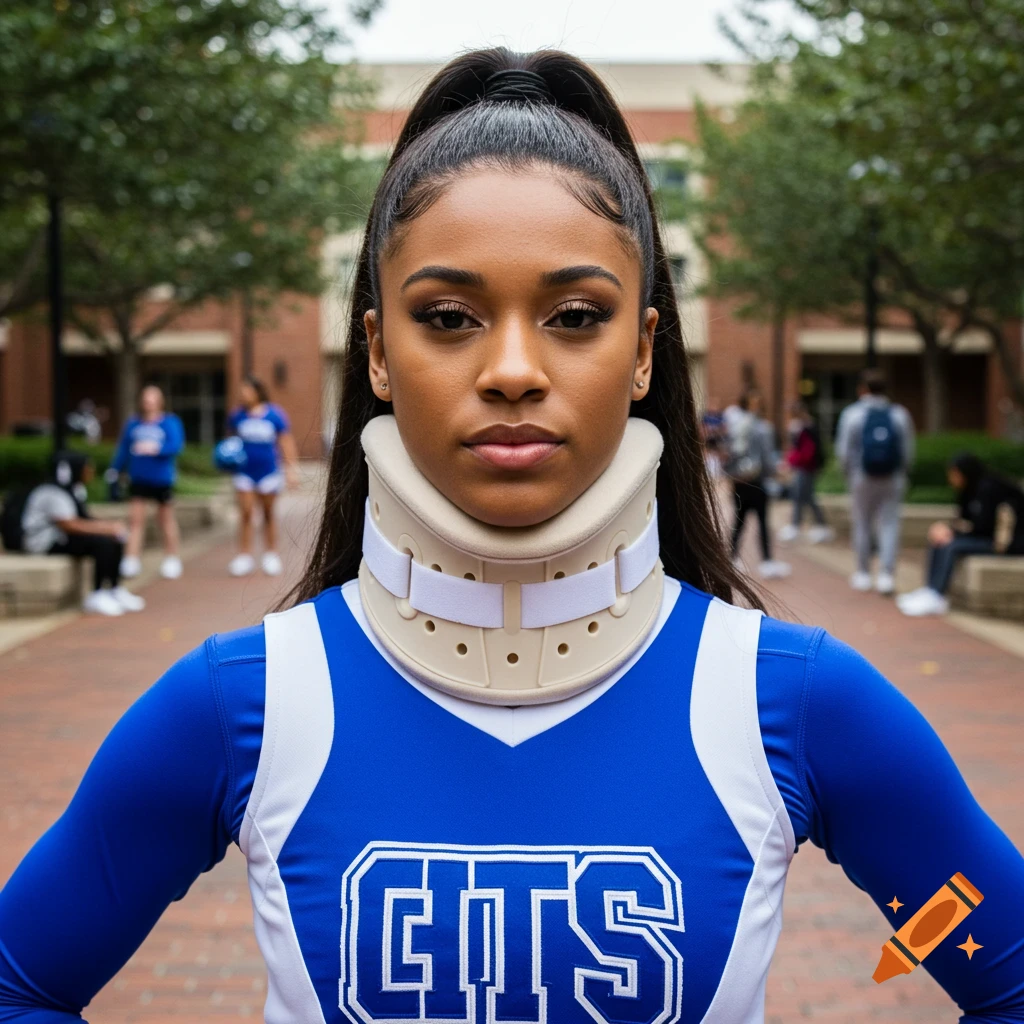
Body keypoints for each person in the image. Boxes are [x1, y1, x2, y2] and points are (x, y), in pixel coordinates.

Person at [1, 49, 1022, 1022]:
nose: (514, 369)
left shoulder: (792, 699)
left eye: (576, 315)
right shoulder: (242, 703)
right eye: (448, 317)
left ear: (642, 349)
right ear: (377, 350)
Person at [18, 451, 145, 617]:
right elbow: (69, 525)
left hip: (62, 538)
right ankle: (97, 594)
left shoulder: (75, 489)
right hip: (44, 542)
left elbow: (83, 518)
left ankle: (114, 589)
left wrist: (111, 527)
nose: (91, 471)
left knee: (114, 538)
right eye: (87, 467)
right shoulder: (52, 492)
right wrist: (105, 529)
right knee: (102, 542)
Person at [898, 452, 1024, 616]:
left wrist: (953, 533)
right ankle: (930, 590)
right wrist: (948, 530)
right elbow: (964, 520)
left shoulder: (989, 488)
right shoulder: (968, 489)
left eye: (954, 474)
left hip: (1006, 543)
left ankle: (937, 596)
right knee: (939, 540)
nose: (951, 479)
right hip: (984, 536)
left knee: (951, 546)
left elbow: (983, 527)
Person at [835, 368, 915, 595]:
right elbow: (908, 450)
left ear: (863, 389)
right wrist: (903, 473)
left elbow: (844, 451)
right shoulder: (899, 414)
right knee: (889, 524)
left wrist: (848, 475)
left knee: (861, 523)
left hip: (861, 477)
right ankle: (886, 576)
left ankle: (863, 573)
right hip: (892, 478)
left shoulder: (852, 414)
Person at [108, 385, 185, 580]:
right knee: (135, 520)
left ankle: (172, 558)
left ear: (160, 401)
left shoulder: (170, 422)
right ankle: (131, 559)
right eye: (146, 398)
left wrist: (156, 448)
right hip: (138, 479)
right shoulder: (133, 424)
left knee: (165, 519)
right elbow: (123, 449)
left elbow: (176, 445)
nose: (148, 402)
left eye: (153, 398)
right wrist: (115, 470)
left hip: (161, 479)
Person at [226, 376, 299, 577]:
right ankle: (244, 556)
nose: (243, 395)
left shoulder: (274, 415)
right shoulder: (237, 416)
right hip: (244, 472)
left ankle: (271, 554)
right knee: (247, 512)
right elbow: (230, 440)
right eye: (241, 391)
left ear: (258, 392)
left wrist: (291, 469)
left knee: (268, 513)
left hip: (268, 472)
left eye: (247, 390)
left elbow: (285, 441)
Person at [725, 389, 791, 578]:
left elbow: (729, 453)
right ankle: (767, 561)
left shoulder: (734, 425)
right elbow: (768, 458)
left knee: (739, 520)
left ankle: (732, 558)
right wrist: (776, 474)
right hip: (757, 481)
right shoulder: (763, 428)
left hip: (739, 480)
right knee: (761, 521)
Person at [778, 400, 833, 544]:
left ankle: (797, 526)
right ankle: (819, 525)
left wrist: (792, 461)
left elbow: (806, 451)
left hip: (805, 467)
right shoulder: (805, 426)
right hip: (806, 466)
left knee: (800, 496)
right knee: (807, 496)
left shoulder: (805, 427)